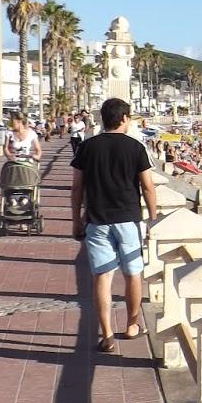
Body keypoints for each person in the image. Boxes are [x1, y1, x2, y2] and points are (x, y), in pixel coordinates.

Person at [71, 97, 158, 353]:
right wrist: (153, 217)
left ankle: (107, 334)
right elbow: (148, 186)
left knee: (103, 276)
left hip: (97, 219)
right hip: (128, 219)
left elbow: (77, 187)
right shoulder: (135, 147)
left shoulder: (87, 147)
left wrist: (76, 219)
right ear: (124, 119)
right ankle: (132, 325)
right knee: (133, 274)